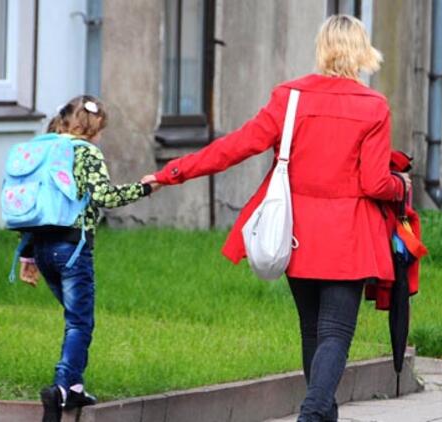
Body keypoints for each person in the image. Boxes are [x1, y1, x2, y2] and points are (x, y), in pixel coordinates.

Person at [142, 15, 410, 422]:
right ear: (361, 51)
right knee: (335, 333)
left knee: (312, 331)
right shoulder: (373, 106)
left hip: (296, 231)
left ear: (323, 49)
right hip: (348, 236)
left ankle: (320, 413)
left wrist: (170, 173)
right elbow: (375, 184)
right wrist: (401, 187)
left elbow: (235, 146)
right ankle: (313, 411)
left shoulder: (291, 98)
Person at [17, 95, 156, 422]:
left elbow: (35, 204)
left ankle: (75, 387)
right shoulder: (86, 152)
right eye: (101, 130)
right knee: (79, 322)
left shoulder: (46, 148)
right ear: (93, 128)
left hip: (42, 247)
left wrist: (27, 255)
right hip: (72, 249)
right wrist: (145, 188)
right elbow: (104, 195)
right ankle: (62, 388)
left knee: (75, 320)